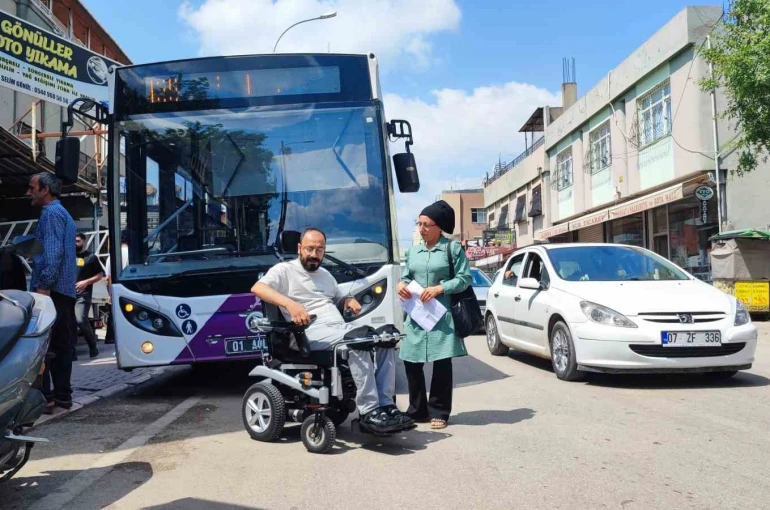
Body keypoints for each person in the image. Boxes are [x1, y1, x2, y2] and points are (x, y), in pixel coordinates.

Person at [251, 228, 414, 435]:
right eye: (310, 249)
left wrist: (348, 300)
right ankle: (369, 410)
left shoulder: (325, 275)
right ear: (300, 248)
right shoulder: (284, 270)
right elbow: (258, 288)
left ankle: (386, 404)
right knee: (359, 339)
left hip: (337, 329)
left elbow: (337, 299)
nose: (314, 255)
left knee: (386, 336)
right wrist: (290, 305)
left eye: (319, 250)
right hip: (306, 333)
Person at [398, 200, 472, 429]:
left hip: (442, 316)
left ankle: (439, 411)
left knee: (441, 364)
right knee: (411, 360)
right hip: (416, 315)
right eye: (419, 224)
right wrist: (402, 284)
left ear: (439, 227)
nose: (422, 229)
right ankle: (417, 410)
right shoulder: (413, 252)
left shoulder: (452, 249)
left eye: (427, 224)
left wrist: (441, 288)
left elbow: (464, 278)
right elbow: (407, 276)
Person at [27, 172, 78, 413]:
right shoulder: (62, 213)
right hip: (63, 290)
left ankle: (51, 398)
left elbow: (53, 252)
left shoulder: (50, 214)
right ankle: (59, 397)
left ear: (45, 190)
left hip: (53, 290)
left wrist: (43, 286)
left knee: (46, 346)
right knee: (61, 344)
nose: (29, 193)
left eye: (32, 188)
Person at [74, 232, 104, 359]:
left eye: (78, 241)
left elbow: (100, 275)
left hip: (83, 295)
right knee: (69, 324)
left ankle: (92, 346)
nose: (75, 243)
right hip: (68, 294)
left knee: (80, 319)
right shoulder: (69, 256)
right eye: (73, 241)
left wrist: (86, 282)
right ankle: (71, 352)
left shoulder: (91, 257)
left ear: (84, 242)